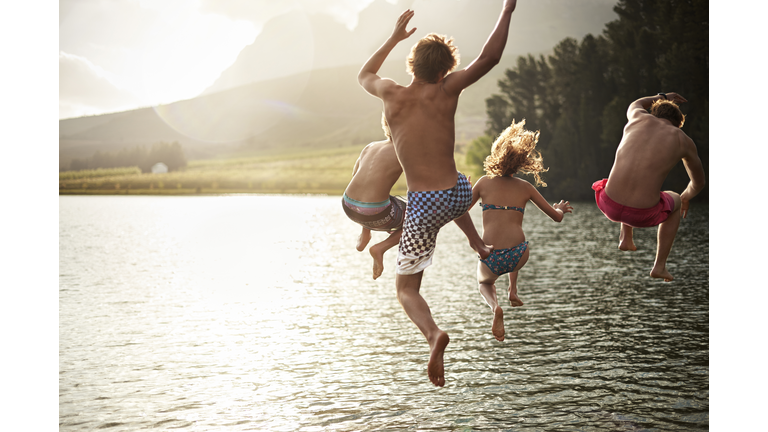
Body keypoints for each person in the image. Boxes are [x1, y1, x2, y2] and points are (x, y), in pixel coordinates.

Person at [357, 1, 516, 387]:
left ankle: (433, 335)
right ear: (446, 69)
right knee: (454, 196)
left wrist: (394, 37)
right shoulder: (448, 89)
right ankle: (478, 245)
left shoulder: (392, 95)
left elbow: (364, 74)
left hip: (425, 204)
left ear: (412, 64)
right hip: (459, 192)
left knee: (406, 288)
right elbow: (490, 57)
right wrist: (508, 9)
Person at [470, 120, 572, 342]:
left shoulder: (484, 183)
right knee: (514, 247)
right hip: (519, 255)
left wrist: (462, 192)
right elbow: (556, 218)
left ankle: (495, 306)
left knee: (484, 283)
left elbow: (459, 210)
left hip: (490, 256)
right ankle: (512, 291)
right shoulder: (526, 188)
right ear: (521, 163)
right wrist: (559, 209)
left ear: (496, 155)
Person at [592, 92, 706, 281]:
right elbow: (698, 182)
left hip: (607, 203)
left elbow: (636, 102)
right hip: (641, 214)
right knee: (675, 198)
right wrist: (685, 197)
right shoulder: (682, 140)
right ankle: (659, 266)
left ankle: (626, 238)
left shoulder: (637, 117)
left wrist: (663, 95)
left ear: (654, 113)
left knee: (623, 178)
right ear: (678, 123)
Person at [342, 114, 405, 280]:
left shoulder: (370, 146)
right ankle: (381, 248)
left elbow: (356, 175)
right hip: (375, 212)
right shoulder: (404, 150)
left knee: (376, 196)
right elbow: (420, 185)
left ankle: (365, 234)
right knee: (420, 218)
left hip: (348, 204)